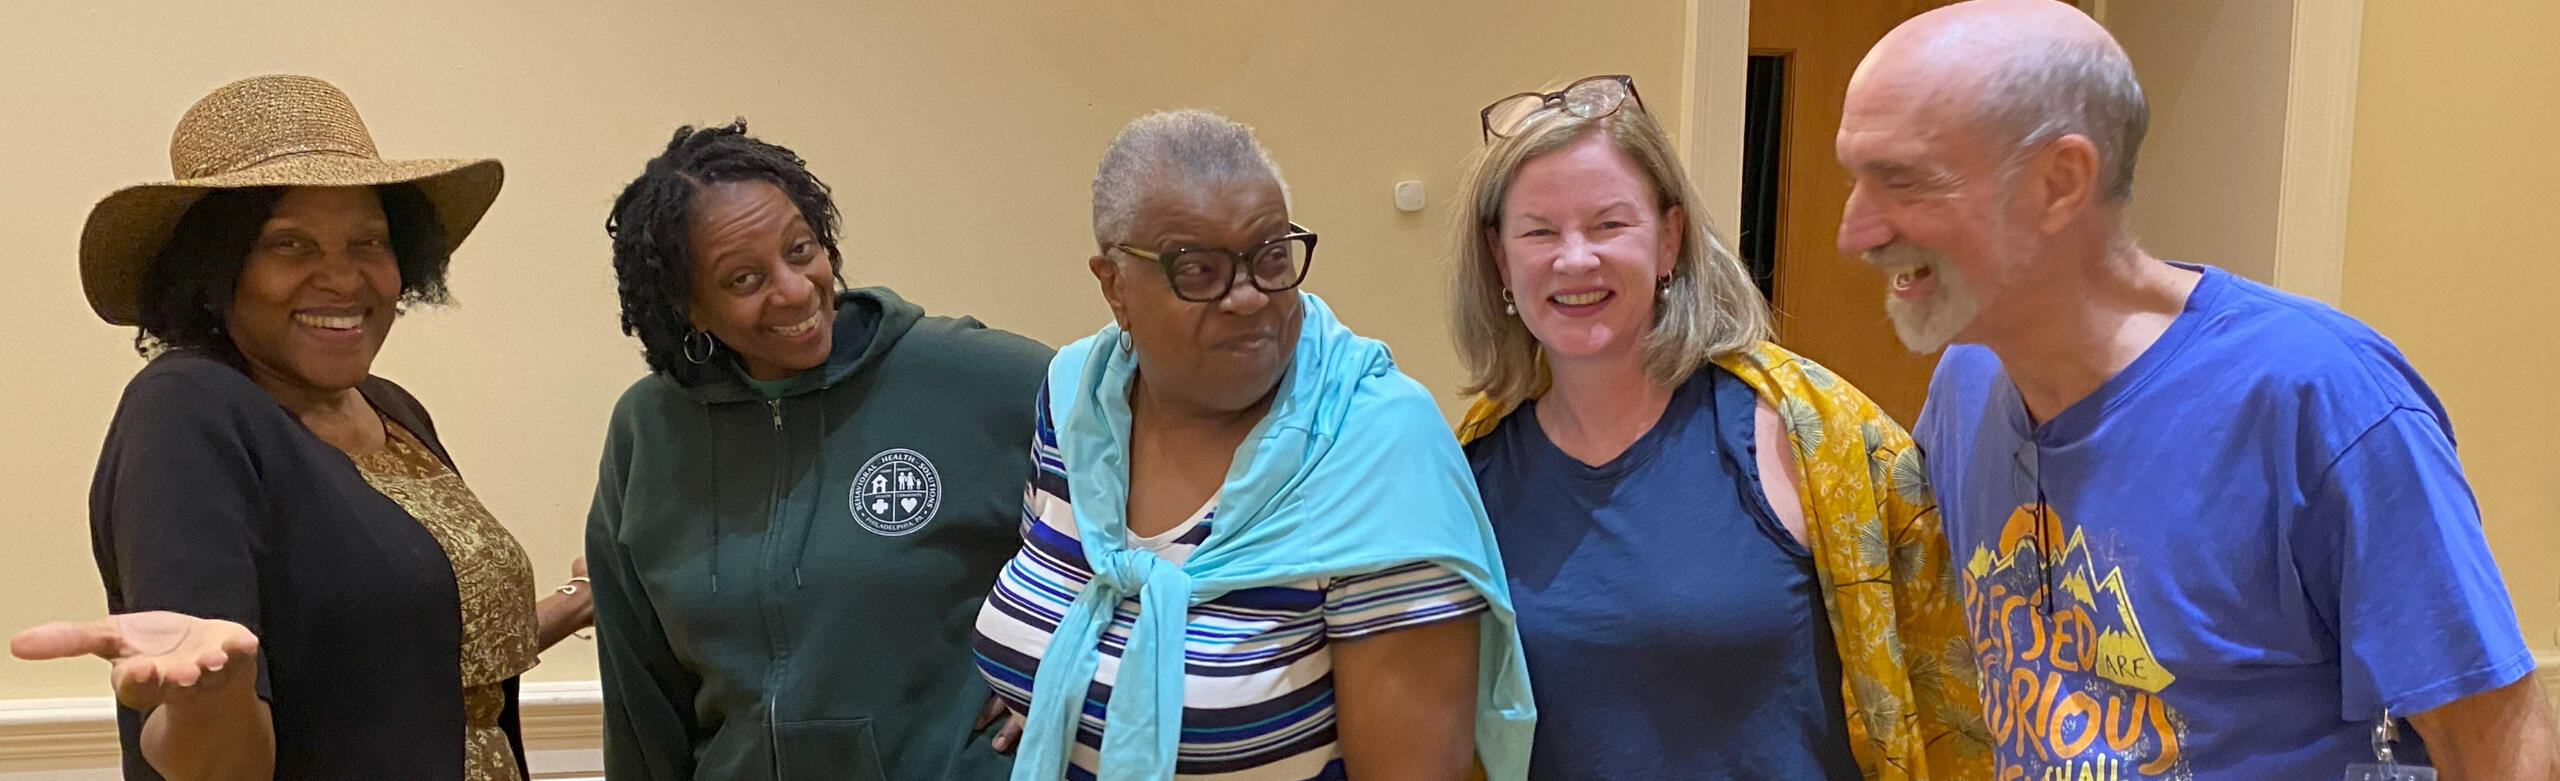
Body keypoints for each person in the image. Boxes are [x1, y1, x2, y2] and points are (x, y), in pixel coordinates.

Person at [1834, 2, 2560, 778]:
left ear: (2058, 182)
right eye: (1856, 179)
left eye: (1905, 182)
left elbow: (2499, 748)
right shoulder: (1967, 381)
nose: (1855, 231)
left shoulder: (2319, 399)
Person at [6, 74, 594, 781]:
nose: (343, 279)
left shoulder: (391, 409)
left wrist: (582, 600)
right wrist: (214, 696)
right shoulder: (187, 410)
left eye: (369, 241)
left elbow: (415, 651)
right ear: (214, 269)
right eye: (290, 244)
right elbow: (212, 766)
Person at [1449, 76, 1988, 780]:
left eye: (1609, 225)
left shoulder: (1814, 431)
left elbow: (1954, 690)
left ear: (1669, 238)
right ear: (1500, 256)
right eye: (1539, 231)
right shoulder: (1470, 467)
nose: (1574, 258)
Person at [972, 109, 1535, 781]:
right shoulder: (1077, 399)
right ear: (1114, 285)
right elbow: (1068, 596)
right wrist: (1062, 689)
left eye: (1271, 257)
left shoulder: (1377, 449)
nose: (1247, 298)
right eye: (1198, 269)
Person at [587, 121, 1050, 780]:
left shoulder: (975, 378)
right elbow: (640, 694)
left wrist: (1081, 667)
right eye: (744, 279)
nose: (796, 289)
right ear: (689, 308)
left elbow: (1164, 511)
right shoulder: (647, 431)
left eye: (800, 249)